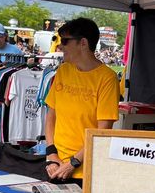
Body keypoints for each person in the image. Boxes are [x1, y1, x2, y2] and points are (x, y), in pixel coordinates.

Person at [44, 18, 119, 182]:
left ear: (83, 43)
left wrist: (73, 163)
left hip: (85, 171)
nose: (60, 46)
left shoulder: (107, 78)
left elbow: (102, 132)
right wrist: (51, 153)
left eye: (65, 41)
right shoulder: (63, 70)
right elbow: (51, 115)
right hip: (55, 165)